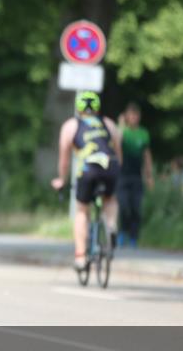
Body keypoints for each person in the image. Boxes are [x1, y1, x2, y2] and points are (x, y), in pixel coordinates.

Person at [51, 91, 122, 272]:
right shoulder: (109, 123)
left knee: (82, 210)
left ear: (78, 107)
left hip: (88, 169)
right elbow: (118, 153)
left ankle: (80, 257)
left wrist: (61, 179)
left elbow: (64, 160)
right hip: (110, 166)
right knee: (110, 199)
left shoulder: (71, 126)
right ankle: (111, 227)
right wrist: (117, 172)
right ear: (97, 107)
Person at [116, 101, 153, 248]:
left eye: (136, 115)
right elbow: (116, 142)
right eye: (131, 116)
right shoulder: (122, 131)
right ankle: (122, 232)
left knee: (136, 208)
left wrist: (149, 175)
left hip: (136, 176)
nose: (133, 118)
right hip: (122, 175)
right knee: (124, 205)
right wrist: (121, 124)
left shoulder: (143, 133)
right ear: (126, 116)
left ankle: (133, 237)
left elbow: (147, 155)